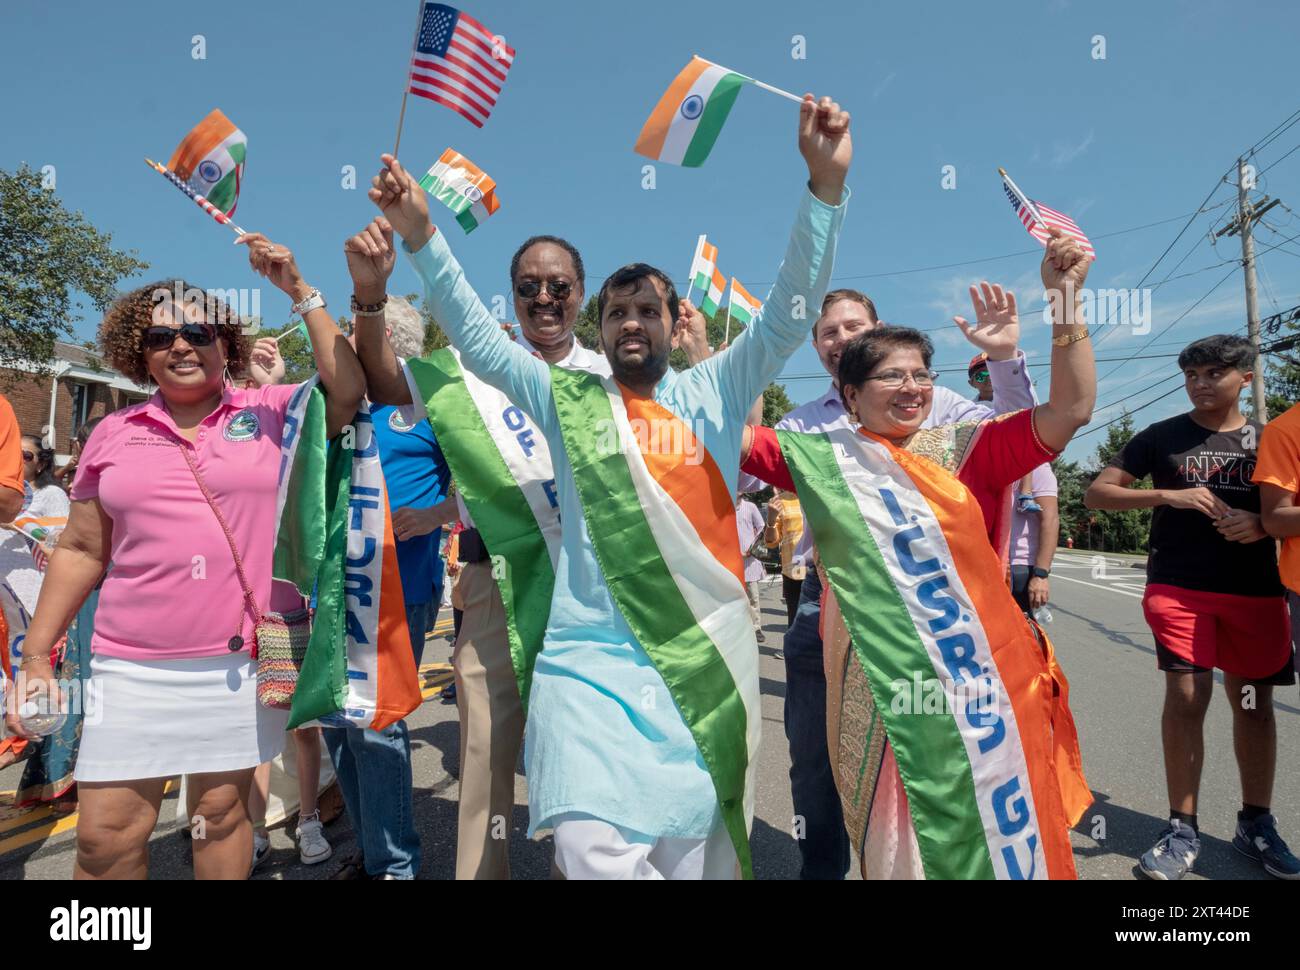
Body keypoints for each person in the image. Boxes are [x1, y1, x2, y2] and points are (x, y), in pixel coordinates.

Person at [358, 92, 850, 879]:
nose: (630, 321)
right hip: (588, 661)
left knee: (693, 855)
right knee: (592, 851)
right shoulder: (569, 400)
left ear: (670, 320)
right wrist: (421, 234)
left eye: (646, 309)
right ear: (600, 324)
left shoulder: (714, 393)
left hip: (700, 657)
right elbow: (481, 341)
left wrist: (823, 187)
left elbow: (789, 313)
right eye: (616, 309)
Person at [4, 232, 366, 879]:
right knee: (105, 837)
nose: (180, 345)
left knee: (223, 816)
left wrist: (299, 289)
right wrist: (36, 656)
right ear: (139, 355)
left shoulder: (271, 412)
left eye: (198, 331)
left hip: (231, 670)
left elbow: (346, 390)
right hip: (129, 669)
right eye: (160, 337)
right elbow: (84, 548)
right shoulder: (115, 433)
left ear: (224, 345)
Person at [740, 232, 1095, 878]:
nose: (911, 387)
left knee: (986, 833)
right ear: (849, 396)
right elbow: (733, 439)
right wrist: (741, 347)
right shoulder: (823, 460)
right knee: (894, 845)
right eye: (890, 376)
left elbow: (1070, 410)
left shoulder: (970, 448)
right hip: (869, 680)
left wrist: (1065, 302)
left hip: (972, 686)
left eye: (920, 374)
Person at [353, 219, 609, 880]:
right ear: (512, 294)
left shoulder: (611, 378)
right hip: (495, 584)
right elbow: (383, 381)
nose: (544, 299)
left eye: (560, 287)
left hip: (591, 595)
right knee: (484, 757)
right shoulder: (465, 371)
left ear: (582, 294)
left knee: (586, 761)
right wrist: (372, 298)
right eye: (529, 287)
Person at [1086, 333, 1299, 881]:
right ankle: (1182, 828)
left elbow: (1280, 511)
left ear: (1245, 379)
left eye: (1214, 374)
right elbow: (1098, 493)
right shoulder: (1162, 437)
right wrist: (1167, 495)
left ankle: (1256, 823)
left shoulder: (1269, 438)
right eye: (1192, 375)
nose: (1200, 384)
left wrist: (1260, 524)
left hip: (1255, 592)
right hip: (1178, 588)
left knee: (1252, 703)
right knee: (1186, 696)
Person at [324, 235, 454, 881]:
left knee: (375, 722)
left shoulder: (430, 408)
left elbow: (482, 488)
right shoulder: (335, 404)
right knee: (338, 725)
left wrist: (433, 515)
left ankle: (395, 865)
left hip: (404, 586)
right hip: (334, 587)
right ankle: (368, 848)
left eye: (363, 339)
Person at [15, 417, 104, 812]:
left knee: (90, 684)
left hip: (106, 597)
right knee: (73, 682)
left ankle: (87, 778)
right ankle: (60, 779)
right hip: (81, 599)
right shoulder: (77, 488)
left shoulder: (87, 487)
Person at [0, 433, 70, 771]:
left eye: (25, 456)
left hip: (32, 602)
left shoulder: (51, 496)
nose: (17, 461)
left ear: (41, 462)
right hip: (4, 598)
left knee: (32, 681)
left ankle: (37, 753)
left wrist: (19, 522)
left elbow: (59, 542)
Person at [1009, 462, 1059, 616]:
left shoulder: (1037, 467)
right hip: (989, 563)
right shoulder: (989, 462)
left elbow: (1050, 520)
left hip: (1020, 567)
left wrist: (1041, 575)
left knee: (1021, 634)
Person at [764, 489, 806, 627]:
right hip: (793, 569)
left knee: (822, 624)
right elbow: (771, 543)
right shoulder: (780, 501)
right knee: (794, 621)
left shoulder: (820, 492)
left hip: (821, 568)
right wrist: (771, 520)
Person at [736, 494, 767, 643]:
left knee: (753, 597)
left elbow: (761, 526)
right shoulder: (724, 506)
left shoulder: (750, 507)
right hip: (731, 558)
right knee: (734, 596)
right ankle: (738, 628)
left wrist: (753, 548)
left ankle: (756, 628)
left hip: (749, 559)